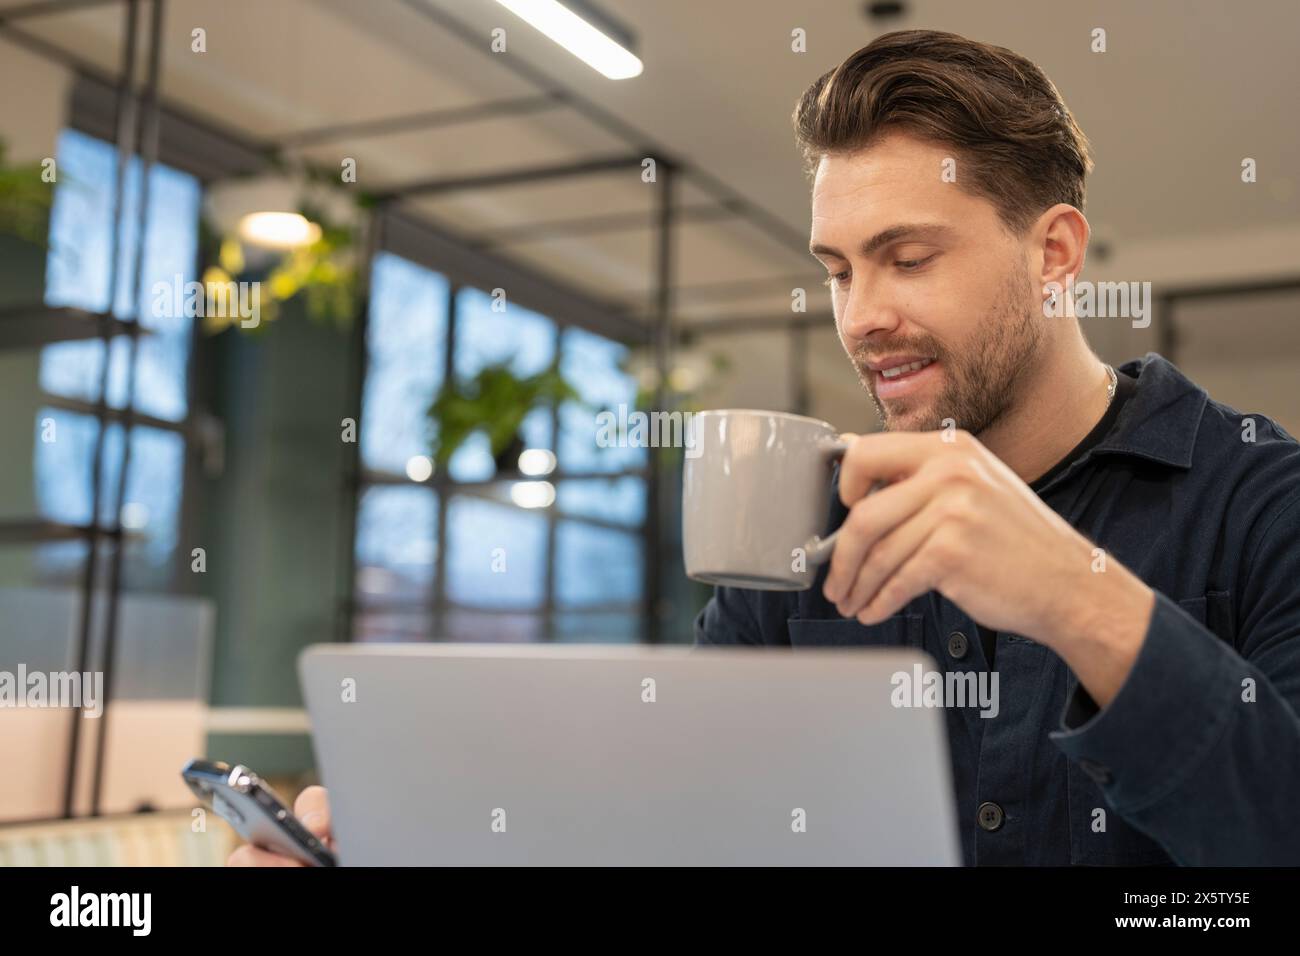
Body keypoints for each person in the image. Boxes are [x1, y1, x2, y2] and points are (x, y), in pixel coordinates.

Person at [231, 29, 1300, 867]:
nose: (861, 316)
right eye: (838, 269)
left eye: (908, 256)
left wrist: (1075, 594)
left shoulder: (1261, 499)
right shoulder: (802, 526)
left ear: (1054, 252)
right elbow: (673, 830)